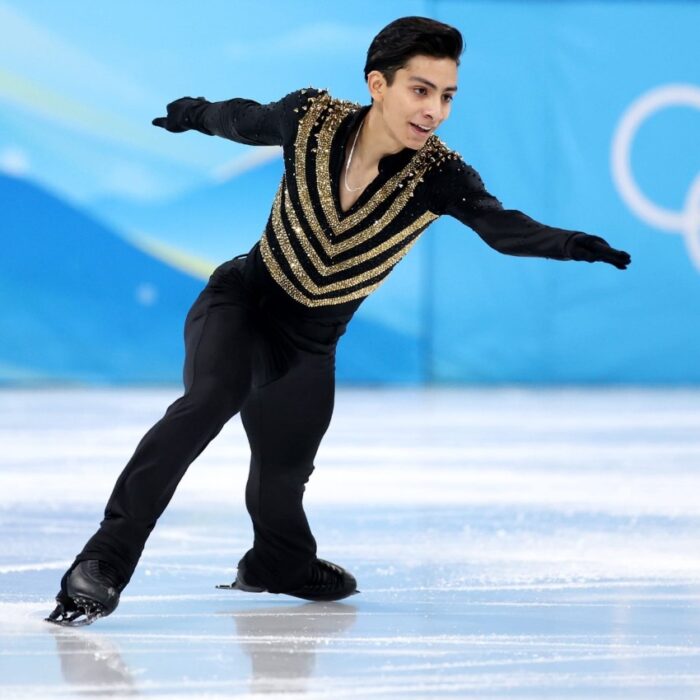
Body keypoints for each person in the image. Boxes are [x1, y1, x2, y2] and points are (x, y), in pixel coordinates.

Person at [46, 16, 631, 626]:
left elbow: (499, 225)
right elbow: (243, 119)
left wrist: (569, 243)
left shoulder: (438, 176)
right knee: (208, 402)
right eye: (420, 90)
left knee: (282, 480)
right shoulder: (312, 119)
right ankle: (103, 562)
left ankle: (279, 563)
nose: (434, 110)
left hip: (310, 347)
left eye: (447, 95)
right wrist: (194, 112)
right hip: (244, 305)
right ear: (378, 84)